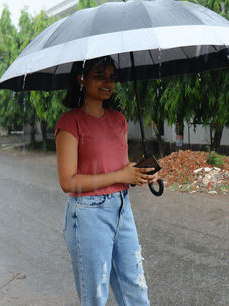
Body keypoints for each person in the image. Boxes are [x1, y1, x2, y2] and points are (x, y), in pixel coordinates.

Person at [55, 56, 156, 305]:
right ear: (81, 79)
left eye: (112, 77)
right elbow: (68, 182)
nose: (108, 82)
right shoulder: (70, 122)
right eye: (100, 75)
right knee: (95, 294)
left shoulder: (118, 120)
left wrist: (139, 173)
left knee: (135, 288)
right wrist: (121, 175)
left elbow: (120, 169)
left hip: (122, 208)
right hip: (88, 213)